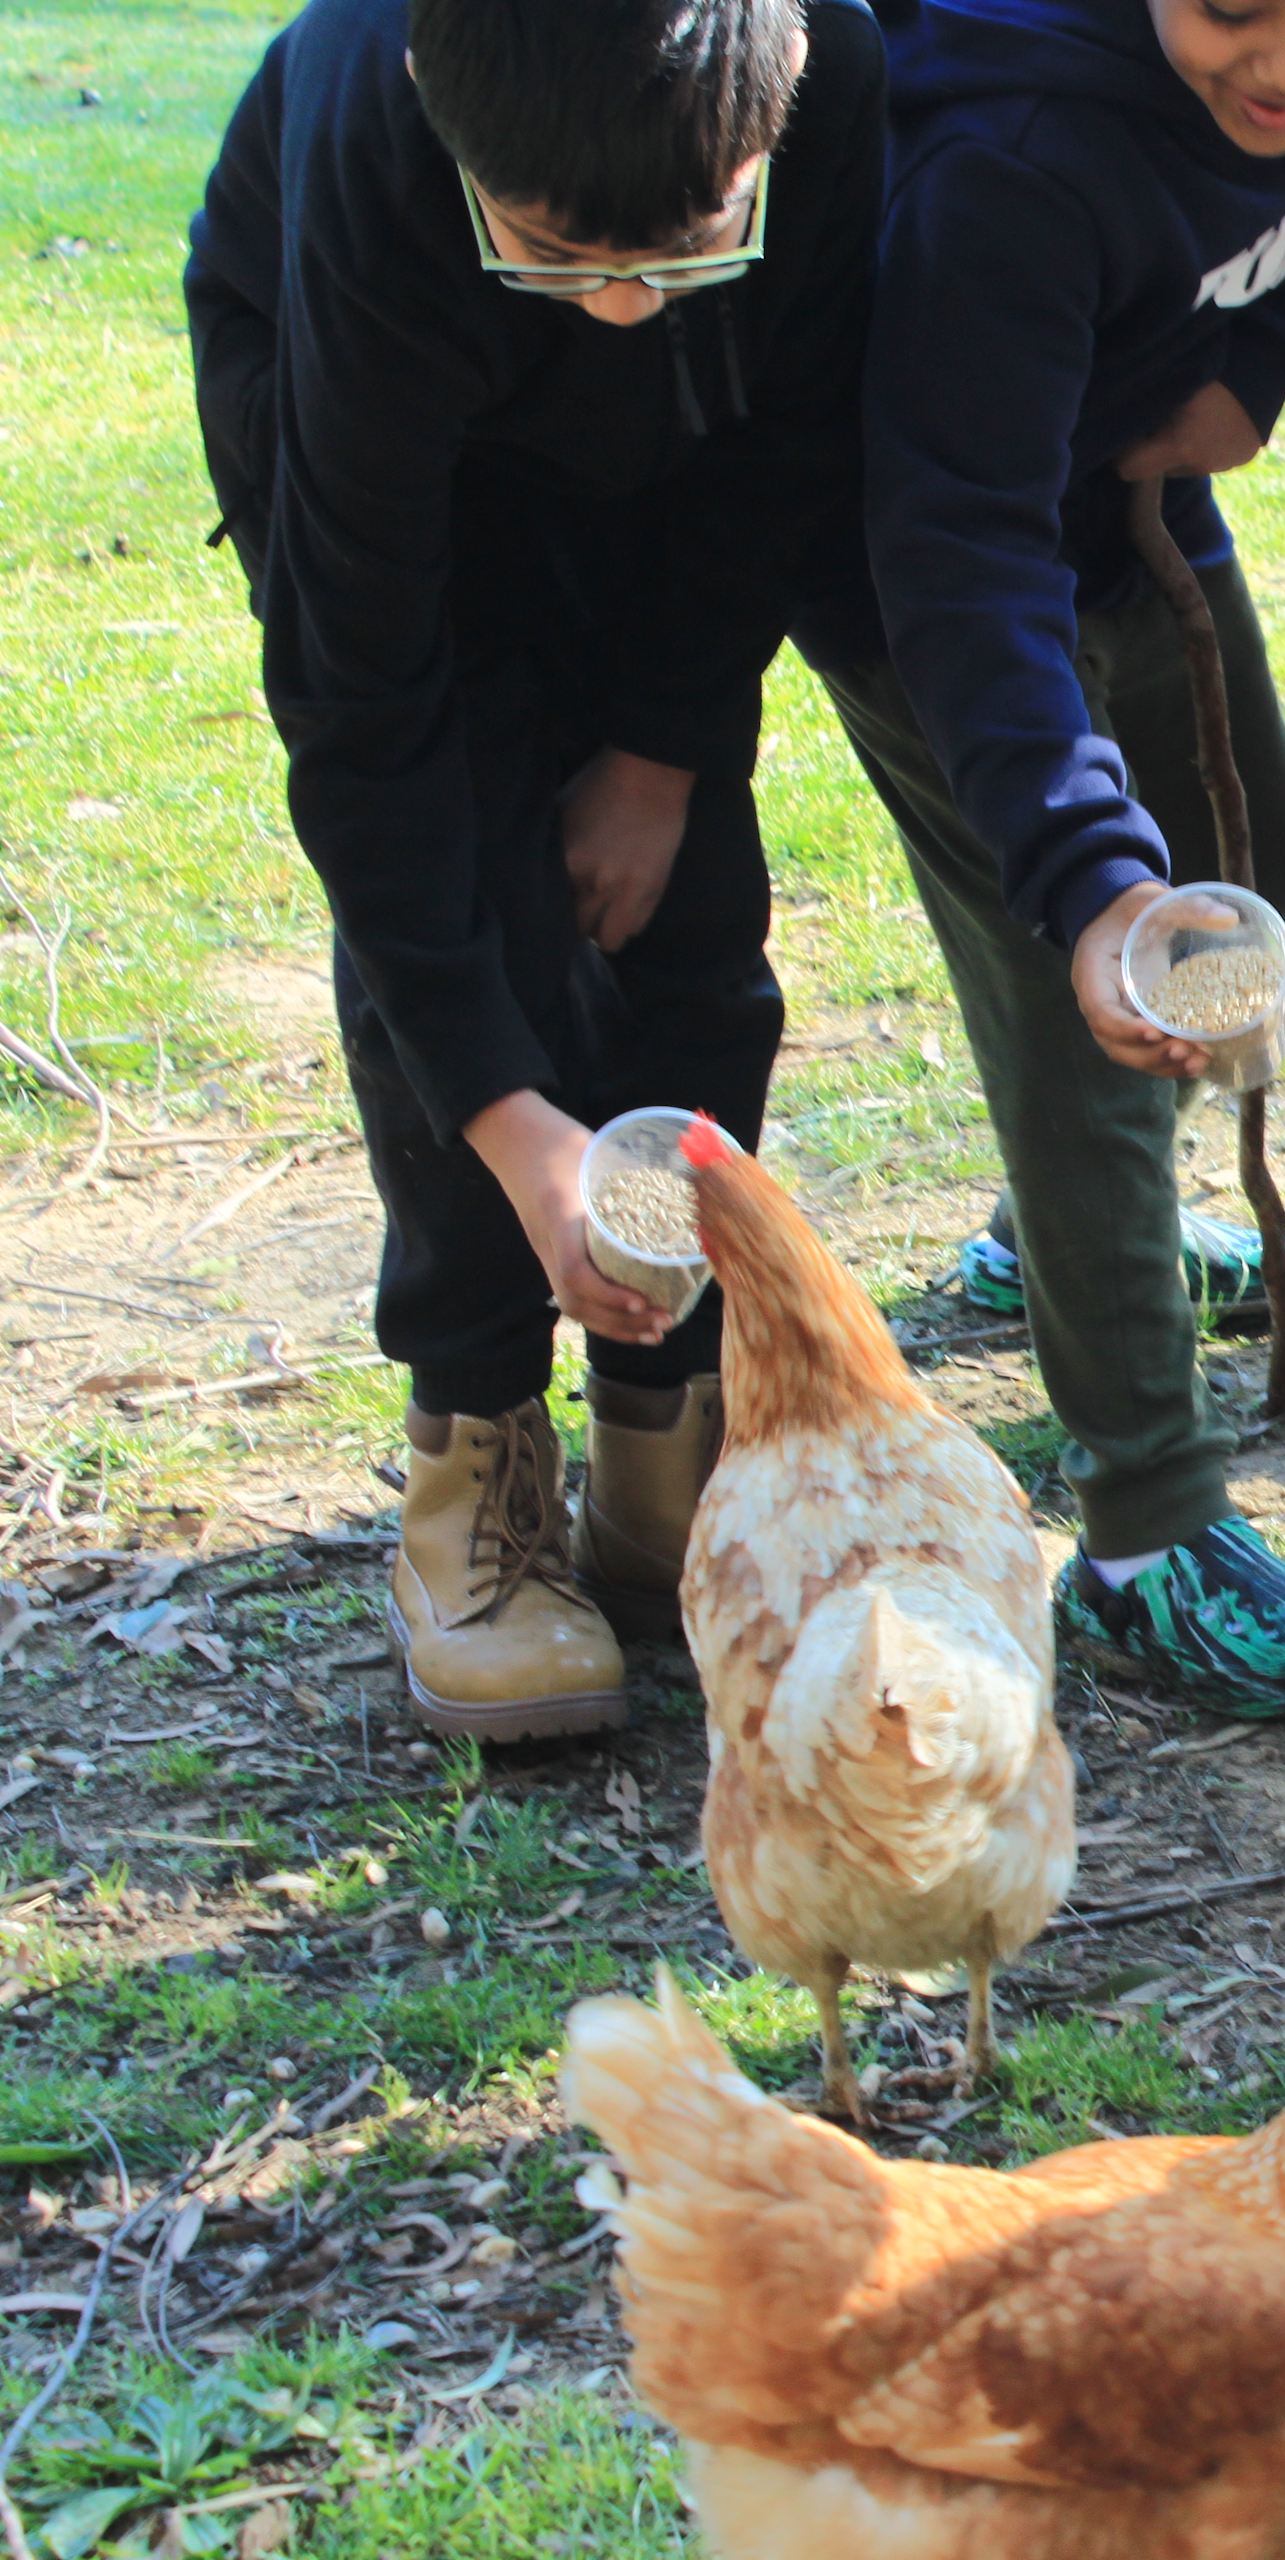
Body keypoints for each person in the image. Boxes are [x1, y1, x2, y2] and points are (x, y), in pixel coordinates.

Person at [187, 0, 881, 1741]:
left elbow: (788, 449)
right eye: (572, 252)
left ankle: (667, 1442)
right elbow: (368, 711)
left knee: (691, 921)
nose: (629, 298)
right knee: (473, 892)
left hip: (680, 469)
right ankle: (474, 1457)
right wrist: (511, 1123)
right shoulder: (373, 139)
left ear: (777, 108)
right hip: (388, 432)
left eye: (689, 240)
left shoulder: (833, 90)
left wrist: (665, 741)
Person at [813, 0, 1285, 1720]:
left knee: (1247, 861)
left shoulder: (1279, 78)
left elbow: (1257, 255)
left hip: (1109, 476)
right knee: (1100, 986)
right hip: (936, 588)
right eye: (1235, 13)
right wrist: (1079, 873)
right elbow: (958, 550)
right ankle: (1146, 1537)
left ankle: (1059, 1237)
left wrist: (1265, 375)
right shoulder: (1014, 166)